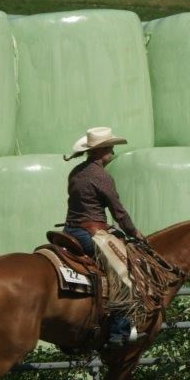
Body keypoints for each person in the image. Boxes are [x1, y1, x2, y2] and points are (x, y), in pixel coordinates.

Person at [62, 126, 145, 348]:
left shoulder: (76, 172)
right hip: (90, 233)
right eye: (109, 148)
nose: (113, 152)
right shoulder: (102, 177)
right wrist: (134, 232)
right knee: (122, 270)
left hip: (69, 231)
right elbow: (118, 212)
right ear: (100, 151)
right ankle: (118, 331)